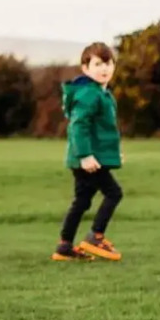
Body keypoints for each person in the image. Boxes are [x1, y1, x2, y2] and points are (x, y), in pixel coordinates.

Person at [52, 42, 124, 262]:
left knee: (82, 201)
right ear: (85, 68)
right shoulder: (88, 95)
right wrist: (85, 155)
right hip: (86, 160)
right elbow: (78, 127)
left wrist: (112, 154)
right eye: (98, 64)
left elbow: (102, 132)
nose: (104, 68)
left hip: (91, 158)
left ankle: (64, 247)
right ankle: (96, 236)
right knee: (114, 193)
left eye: (108, 63)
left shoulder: (103, 94)